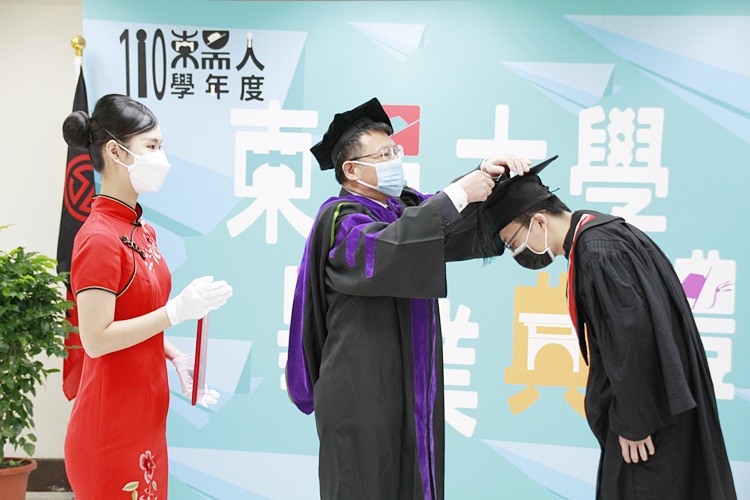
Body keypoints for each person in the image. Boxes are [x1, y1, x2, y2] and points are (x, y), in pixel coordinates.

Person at [286, 97, 530, 499]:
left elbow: (437, 221)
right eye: (383, 155)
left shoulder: (400, 208)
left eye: (395, 150)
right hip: (360, 389)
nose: (394, 160)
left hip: (408, 382)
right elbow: (387, 249)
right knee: (364, 484)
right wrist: (457, 193)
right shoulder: (341, 218)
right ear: (351, 169)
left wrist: (485, 177)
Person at [479, 156, 737, 499]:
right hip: (659, 406)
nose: (517, 252)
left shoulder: (599, 251)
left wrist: (635, 422)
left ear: (539, 221)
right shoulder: (605, 233)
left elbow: (632, 337)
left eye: (513, 242)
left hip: (650, 423)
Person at [61, 94, 233, 499]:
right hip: (109, 428)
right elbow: (96, 338)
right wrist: (175, 312)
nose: (162, 158)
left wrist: (173, 355)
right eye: (151, 146)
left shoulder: (142, 231)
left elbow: (132, 315)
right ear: (116, 152)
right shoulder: (99, 238)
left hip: (145, 420)